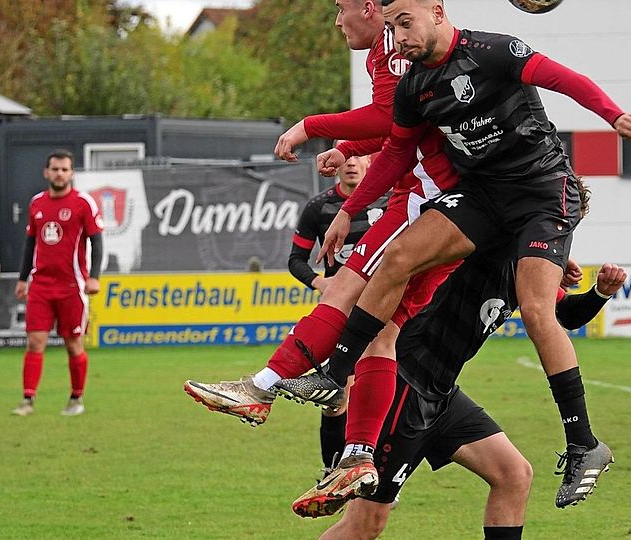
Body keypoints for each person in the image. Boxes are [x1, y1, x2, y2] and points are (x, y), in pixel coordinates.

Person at [294, 0, 631, 509]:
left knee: (534, 308)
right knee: (395, 259)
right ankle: (334, 376)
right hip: (485, 198)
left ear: (437, 13)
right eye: (392, 26)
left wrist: (611, 114)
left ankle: (583, 443)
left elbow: (564, 79)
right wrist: (347, 210)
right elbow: (395, 152)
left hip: (539, 190)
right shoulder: (415, 86)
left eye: (406, 22)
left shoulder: (493, 50)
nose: (399, 35)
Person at [184, 0, 462, 473]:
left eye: (340, 8)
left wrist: (310, 127)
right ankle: (357, 456)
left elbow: (389, 123)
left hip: (426, 200)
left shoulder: (394, 46)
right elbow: (401, 132)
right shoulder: (407, 47)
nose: (337, 21)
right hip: (448, 203)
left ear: (370, 9)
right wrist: (348, 157)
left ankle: (262, 387)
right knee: (382, 333)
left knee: (348, 287)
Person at [299, 247, 628, 537]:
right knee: (364, 525)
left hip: (442, 395)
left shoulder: (527, 268)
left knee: (514, 474)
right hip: (402, 390)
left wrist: (600, 292)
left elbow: (566, 315)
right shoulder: (481, 240)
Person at [288, 151, 390, 480]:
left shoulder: (391, 202)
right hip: (344, 312)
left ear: (371, 162)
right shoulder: (319, 208)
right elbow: (296, 259)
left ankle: (379, 473)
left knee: (381, 390)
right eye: (344, 154)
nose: (350, 162)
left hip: (386, 313)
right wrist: (321, 282)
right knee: (337, 397)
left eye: (357, 155)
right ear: (332, 164)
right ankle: (332, 471)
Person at [12, 149, 104, 417]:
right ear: (46, 172)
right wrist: (22, 278)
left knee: (74, 344)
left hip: (72, 286)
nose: (59, 174)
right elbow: (30, 243)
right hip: (40, 285)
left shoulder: (83, 203)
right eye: (55, 169)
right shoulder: (37, 203)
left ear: (72, 173)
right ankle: (27, 400)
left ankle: (76, 398)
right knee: (35, 341)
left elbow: (96, 241)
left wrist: (94, 276)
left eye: (65, 169)